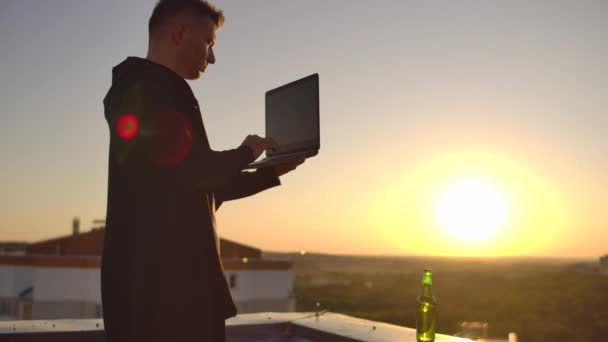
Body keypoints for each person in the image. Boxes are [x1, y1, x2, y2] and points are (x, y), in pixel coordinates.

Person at [100, 0, 304, 341]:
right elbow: (197, 172)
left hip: (170, 292)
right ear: (180, 33)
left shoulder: (150, 89)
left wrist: (270, 172)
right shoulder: (149, 90)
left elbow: (205, 187)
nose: (212, 58)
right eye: (209, 44)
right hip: (165, 298)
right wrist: (247, 151)